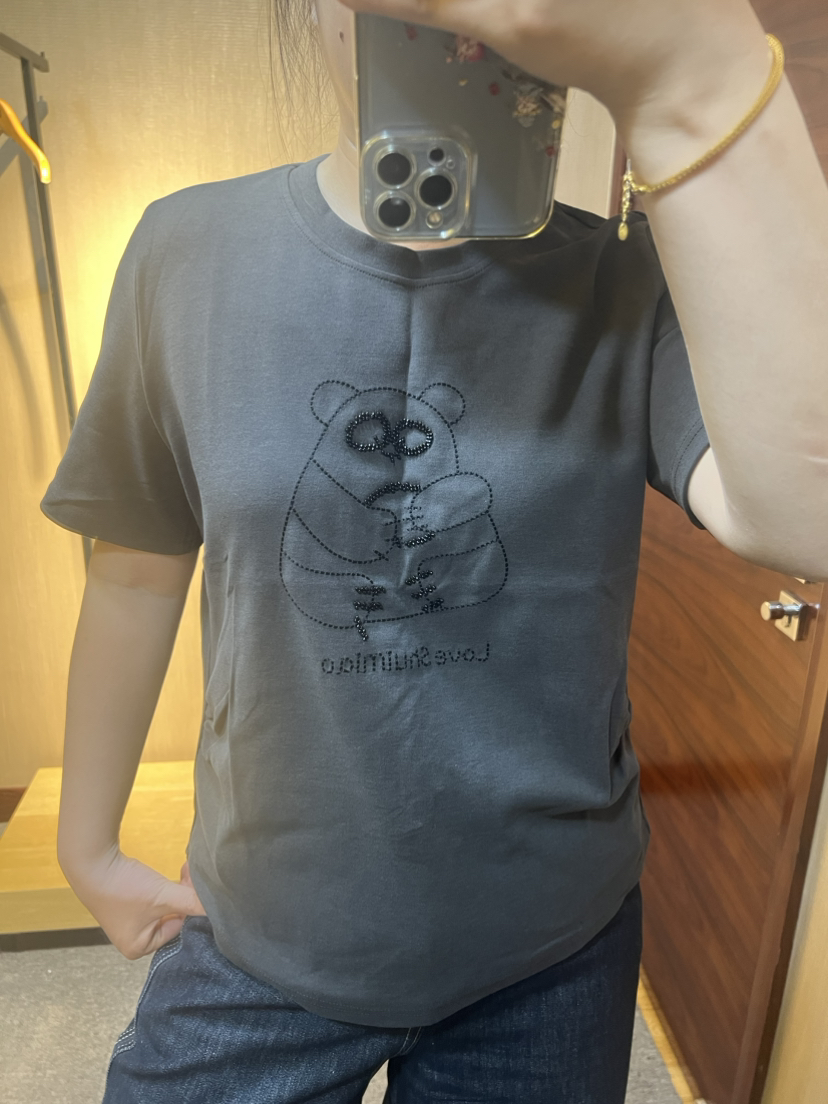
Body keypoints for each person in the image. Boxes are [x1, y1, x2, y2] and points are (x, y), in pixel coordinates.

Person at [39, 0, 828, 1100]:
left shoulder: (628, 280)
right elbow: (135, 566)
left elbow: (807, 519)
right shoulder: (186, 252)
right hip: (264, 914)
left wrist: (703, 72)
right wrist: (87, 844)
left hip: (548, 942)